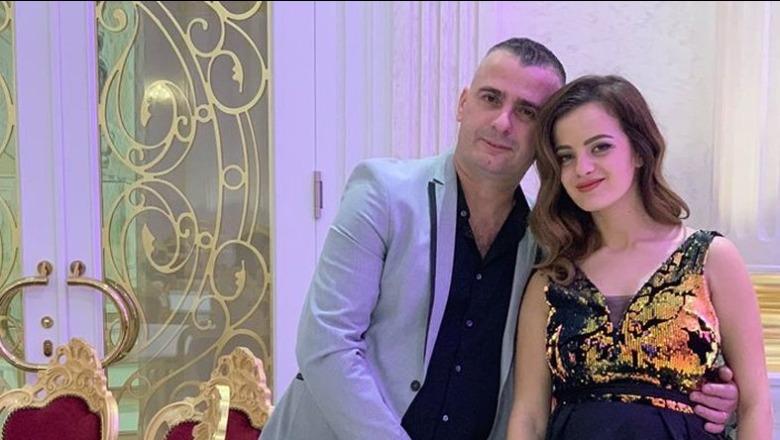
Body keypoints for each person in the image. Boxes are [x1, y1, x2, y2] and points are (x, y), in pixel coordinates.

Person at [261, 39, 739, 440]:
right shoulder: (383, 193)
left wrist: (711, 394)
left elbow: (584, 375)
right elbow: (327, 344)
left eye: (527, 111)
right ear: (463, 104)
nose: (503, 122)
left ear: (544, 137)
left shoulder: (549, 246)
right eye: (491, 98)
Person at [507, 75, 771, 439]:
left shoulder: (711, 258)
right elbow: (529, 416)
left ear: (640, 151)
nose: (582, 168)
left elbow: (755, 404)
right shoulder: (552, 279)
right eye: (566, 156)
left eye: (600, 147)